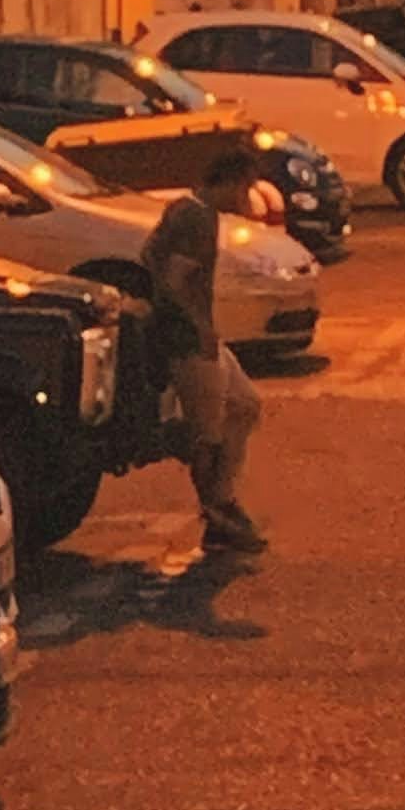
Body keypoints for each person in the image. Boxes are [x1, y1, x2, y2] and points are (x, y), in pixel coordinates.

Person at [143, 142, 268, 554]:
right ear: (229, 182)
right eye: (245, 186)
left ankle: (223, 500)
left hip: (200, 335)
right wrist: (199, 328)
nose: (247, 197)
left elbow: (150, 257)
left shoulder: (188, 209)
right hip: (190, 341)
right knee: (207, 431)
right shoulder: (196, 220)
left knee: (245, 404)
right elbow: (173, 282)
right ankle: (217, 514)